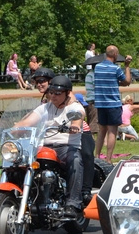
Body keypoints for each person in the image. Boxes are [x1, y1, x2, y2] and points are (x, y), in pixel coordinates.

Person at [12, 75, 86, 218]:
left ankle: (73, 203)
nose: (53, 96)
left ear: (67, 93)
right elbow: (28, 122)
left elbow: (77, 119)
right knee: (19, 162)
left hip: (66, 146)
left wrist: (75, 126)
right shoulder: (45, 108)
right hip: (44, 146)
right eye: (51, 92)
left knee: (75, 160)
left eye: (58, 93)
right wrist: (14, 129)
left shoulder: (75, 108)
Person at [92, 45, 132, 163]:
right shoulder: (116, 69)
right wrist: (127, 66)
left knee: (101, 131)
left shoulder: (97, 68)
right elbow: (127, 81)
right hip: (113, 104)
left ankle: (97, 156)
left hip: (100, 104)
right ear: (115, 55)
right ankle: (109, 159)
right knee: (112, 131)